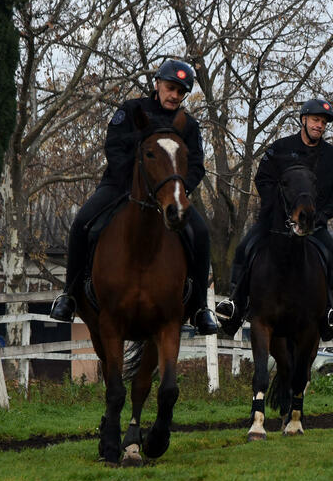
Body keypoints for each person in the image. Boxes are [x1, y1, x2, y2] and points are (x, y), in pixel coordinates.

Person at [49, 59, 219, 335]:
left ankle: (200, 308)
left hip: (167, 194)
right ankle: (69, 295)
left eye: (181, 91)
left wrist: (178, 189)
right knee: (81, 223)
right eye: (170, 88)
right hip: (119, 186)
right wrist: (133, 182)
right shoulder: (131, 110)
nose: (175, 95)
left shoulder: (188, 125)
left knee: (200, 233)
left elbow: (197, 164)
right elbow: (113, 147)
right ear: (158, 84)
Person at [215, 98, 333, 338]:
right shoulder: (280, 148)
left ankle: (329, 313)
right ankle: (234, 304)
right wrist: (276, 210)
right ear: (304, 120)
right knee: (244, 248)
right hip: (275, 224)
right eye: (315, 120)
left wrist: (324, 214)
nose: (319, 125)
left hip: (313, 225)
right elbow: (262, 179)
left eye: (323, 122)